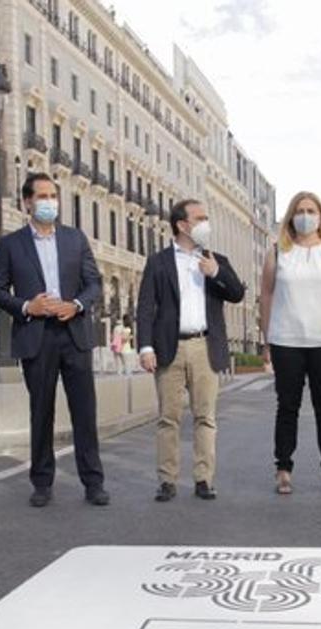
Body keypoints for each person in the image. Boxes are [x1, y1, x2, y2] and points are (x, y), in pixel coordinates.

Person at [0, 172, 109, 507]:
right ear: (28, 202)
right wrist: (28, 306)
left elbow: (94, 283)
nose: (49, 202)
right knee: (40, 412)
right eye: (42, 196)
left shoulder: (75, 239)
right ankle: (42, 482)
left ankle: (93, 482)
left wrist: (77, 305)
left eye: (53, 196)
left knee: (84, 412)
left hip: (74, 333)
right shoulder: (11, 245)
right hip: (35, 335)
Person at [136, 199, 245, 502]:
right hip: (169, 347)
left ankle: (203, 479)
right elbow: (146, 307)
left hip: (205, 346)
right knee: (168, 418)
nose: (205, 224)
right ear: (182, 225)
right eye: (200, 218)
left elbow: (237, 294)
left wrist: (215, 273)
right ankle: (167, 480)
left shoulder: (215, 258)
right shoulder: (158, 262)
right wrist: (145, 346)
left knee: (205, 417)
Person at [259, 192, 321, 495]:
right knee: (287, 407)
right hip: (286, 339)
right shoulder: (278, 251)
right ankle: (283, 470)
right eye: (300, 211)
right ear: (291, 217)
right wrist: (267, 340)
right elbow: (266, 294)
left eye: (311, 210)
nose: (305, 215)